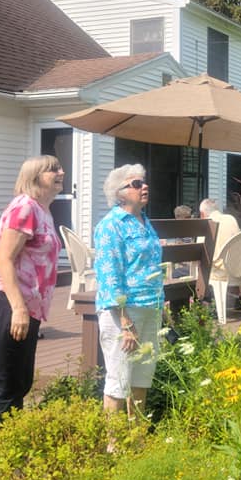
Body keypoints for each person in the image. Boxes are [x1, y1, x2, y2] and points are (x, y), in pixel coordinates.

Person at [0, 155, 64, 420]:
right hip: (9, 303)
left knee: (20, 382)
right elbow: (4, 259)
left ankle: (11, 440)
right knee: (6, 385)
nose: (61, 172)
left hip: (28, 307)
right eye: (53, 170)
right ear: (35, 177)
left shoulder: (42, 210)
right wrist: (18, 309)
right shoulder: (24, 207)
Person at [93, 165, 163, 417]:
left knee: (142, 378)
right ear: (119, 193)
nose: (144, 186)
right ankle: (113, 438)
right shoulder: (110, 226)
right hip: (124, 313)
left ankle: (137, 435)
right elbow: (109, 275)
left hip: (150, 307)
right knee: (119, 380)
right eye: (136, 184)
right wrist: (125, 322)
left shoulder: (144, 222)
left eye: (143, 182)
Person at [199, 198, 239, 273]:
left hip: (214, 272)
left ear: (202, 214)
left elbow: (199, 254)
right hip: (235, 270)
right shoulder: (231, 219)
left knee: (178, 272)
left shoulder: (206, 224)